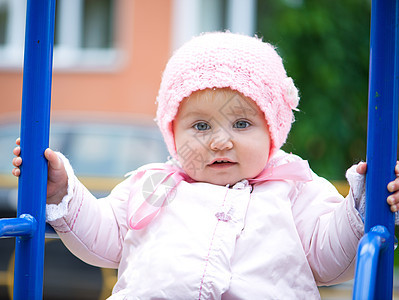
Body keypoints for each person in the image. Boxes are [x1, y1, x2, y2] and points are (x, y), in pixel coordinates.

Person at [11, 32, 399, 299]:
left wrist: (362, 206)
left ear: (273, 130)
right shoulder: (153, 186)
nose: (219, 140)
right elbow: (102, 234)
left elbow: (331, 259)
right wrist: (64, 191)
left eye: (242, 123)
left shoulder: (294, 188)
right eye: (200, 125)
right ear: (172, 132)